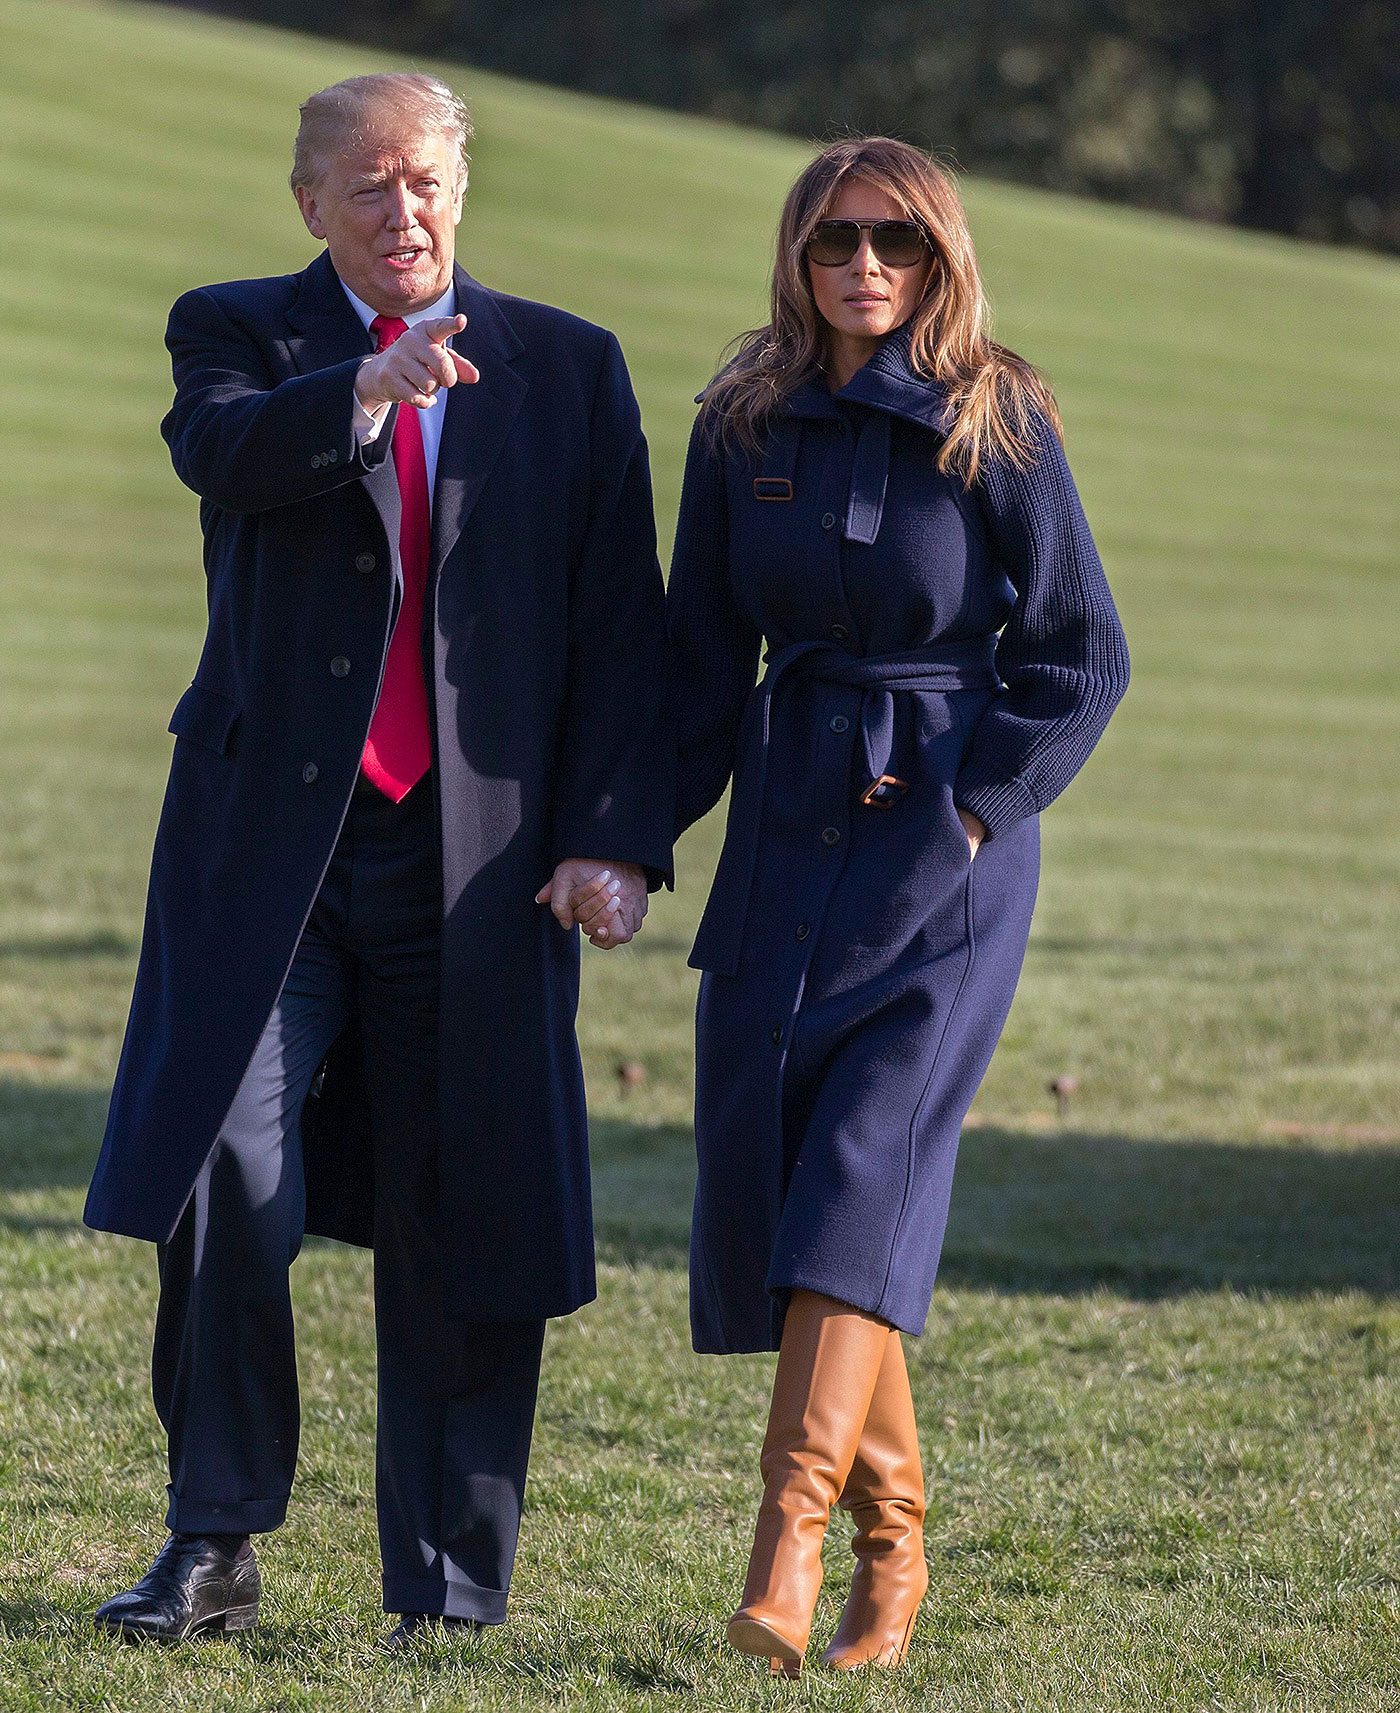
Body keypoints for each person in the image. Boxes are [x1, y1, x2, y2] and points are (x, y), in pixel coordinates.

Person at [82, 73, 671, 1644]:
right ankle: (213, 1538)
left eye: (424, 183)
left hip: (480, 869)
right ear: (308, 208)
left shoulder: (568, 368)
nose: (401, 216)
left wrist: (615, 839)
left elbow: (627, 631)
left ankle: (451, 1583)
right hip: (270, 856)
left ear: (463, 185)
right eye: (366, 192)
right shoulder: (235, 332)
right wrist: (370, 388)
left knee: (460, 1204)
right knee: (227, 1173)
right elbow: (225, 456)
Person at [666, 136, 1129, 1677]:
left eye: (902, 242)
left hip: (945, 844)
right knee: (799, 1183)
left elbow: (1080, 657)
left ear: (941, 257)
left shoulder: (1003, 415)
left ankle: (783, 1553)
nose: (869, 265)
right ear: (798, 255)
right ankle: (895, 1548)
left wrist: (980, 810)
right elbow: (692, 662)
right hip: (787, 824)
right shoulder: (743, 421)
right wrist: (617, 837)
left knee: (864, 1168)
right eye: (838, 239)